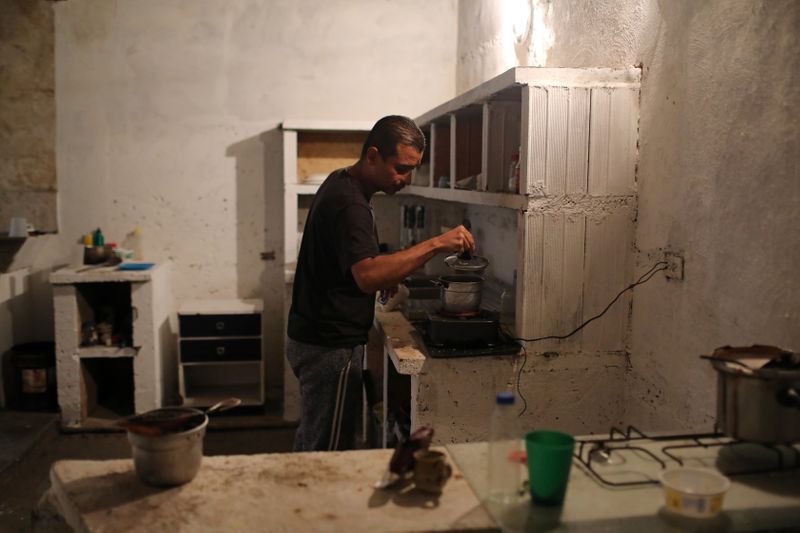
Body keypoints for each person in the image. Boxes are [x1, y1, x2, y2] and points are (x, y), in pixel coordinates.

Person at [286, 115, 475, 451]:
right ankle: (313, 504)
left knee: (317, 438)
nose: (406, 178)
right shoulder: (351, 203)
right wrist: (436, 243)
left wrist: (387, 272)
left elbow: (362, 265)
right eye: (400, 168)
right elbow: (367, 276)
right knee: (325, 453)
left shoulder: (344, 182)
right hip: (330, 347)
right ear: (372, 156)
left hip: (316, 340)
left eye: (413, 168)